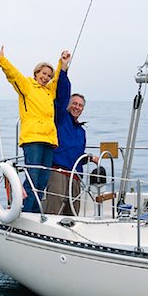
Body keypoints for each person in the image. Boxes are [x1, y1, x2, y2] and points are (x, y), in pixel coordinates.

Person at [0, 45, 70, 213]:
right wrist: (1, 58)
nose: (46, 77)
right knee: (32, 178)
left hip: (49, 140)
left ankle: (35, 213)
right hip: (33, 139)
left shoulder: (50, 91)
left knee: (42, 181)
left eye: (48, 75)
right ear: (36, 73)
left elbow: (57, 80)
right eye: (43, 73)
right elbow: (13, 75)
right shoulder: (26, 85)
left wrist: (62, 63)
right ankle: (25, 212)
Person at [44, 57, 98, 215]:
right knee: (54, 209)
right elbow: (61, 93)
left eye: (80, 105)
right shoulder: (60, 118)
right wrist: (63, 70)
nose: (77, 107)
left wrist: (89, 158)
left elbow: (76, 154)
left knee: (73, 212)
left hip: (75, 176)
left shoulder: (82, 131)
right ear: (68, 104)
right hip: (58, 172)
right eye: (74, 103)